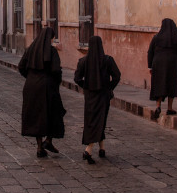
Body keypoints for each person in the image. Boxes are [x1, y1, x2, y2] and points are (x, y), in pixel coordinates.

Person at [18, 27, 66, 158]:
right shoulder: (52, 51)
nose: (52, 40)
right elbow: (56, 71)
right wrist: (55, 82)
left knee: (35, 115)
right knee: (54, 112)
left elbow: (21, 67)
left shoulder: (30, 49)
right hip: (47, 86)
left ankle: (39, 147)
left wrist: (31, 78)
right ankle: (49, 140)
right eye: (52, 38)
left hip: (31, 86)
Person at [74, 36, 121, 164]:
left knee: (91, 120)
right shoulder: (108, 60)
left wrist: (87, 86)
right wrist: (109, 87)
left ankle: (102, 148)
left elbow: (77, 78)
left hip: (90, 96)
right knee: (101, 120)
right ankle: (88, 149)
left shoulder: (83, 61)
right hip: (103, 95)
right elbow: (117, 76)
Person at [148, 18, 177, 118]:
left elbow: (150, 52)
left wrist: (150, 66)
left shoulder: (156, 37)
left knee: (158, 84)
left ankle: (158, 106)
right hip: (172, 63)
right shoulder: (176, 39)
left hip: (158, 63)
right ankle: (169, 108)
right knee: (171, 84)